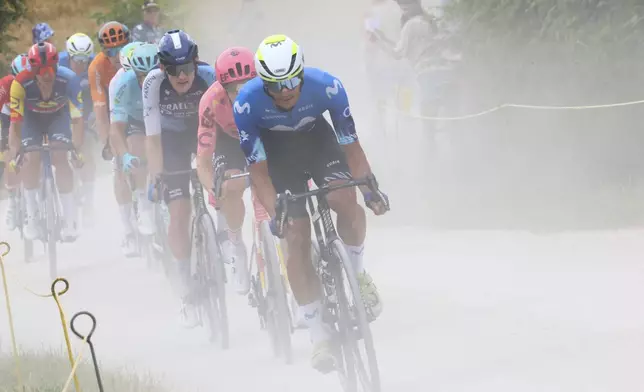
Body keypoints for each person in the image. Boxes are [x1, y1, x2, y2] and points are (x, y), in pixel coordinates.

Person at [233, 34, 389, 372]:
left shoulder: (328, 87)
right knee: (296, 236)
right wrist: (278, 213)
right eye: (275, 85)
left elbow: (352, 148)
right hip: (278, 157)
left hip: (319, 143)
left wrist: (370, 189)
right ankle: (318, 335)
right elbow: (258, 175)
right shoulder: (246, 104)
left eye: (291, 80)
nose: (285, 90)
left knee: (344, 197)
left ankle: (359, 277)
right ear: (263, 84)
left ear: (301, 73)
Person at [143, 30, 215, 326]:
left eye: (187, 68)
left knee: (219, 186)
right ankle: (185, 285)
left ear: (196, 63)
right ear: (163, 68)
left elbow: (223, 124)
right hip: (171, 140)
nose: (182, 76)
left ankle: (222, 237)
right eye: (174, 70)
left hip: (203, 134)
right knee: (179, 210)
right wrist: (157, 174)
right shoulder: (152, 84)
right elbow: (152, 137)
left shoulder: (209, 75)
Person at [8, 42, 84, 241]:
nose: (46, 75)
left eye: (50, 69)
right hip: (30, 121)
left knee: (61, 156)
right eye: (40, 70)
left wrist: (76, 149)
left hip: (58, 118)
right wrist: (16, 152)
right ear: (32, 70)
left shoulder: (69, 80)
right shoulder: (20, 83)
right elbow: (15, 124)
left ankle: (69, 218)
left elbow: (77, 120)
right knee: (31, 159)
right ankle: (32, 216)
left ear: (56, 66)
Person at [196, 47, 257, 295]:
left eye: (247, 85)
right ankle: (236, 245)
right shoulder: (210, 101)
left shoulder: (268, 91)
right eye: (234, 89)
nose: (241, 93)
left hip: (263, 135)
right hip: (230, 142)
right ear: (222, 87)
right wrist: (214, 186)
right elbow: (202, 160)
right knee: (232, 185)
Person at [108, 42, 158, 255]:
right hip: (133, 120)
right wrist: (125, 155)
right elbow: (115, 128)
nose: (145, 81)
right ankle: (137, 215)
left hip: (158, 116)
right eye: (139, 75)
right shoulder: (120, 83)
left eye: (151, 74)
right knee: (135, 150)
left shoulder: (165, 79)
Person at [88, 21, 134, 252]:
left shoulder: (137, 56)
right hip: (110, 109)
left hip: (135, 107)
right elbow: (99, 107)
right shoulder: (97, 66)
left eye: (120, 49)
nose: (116, 56)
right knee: (118, 166)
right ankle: (128, 230)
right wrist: (108, 141)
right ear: (103, 51)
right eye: (110, 52)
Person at [60, 33, 97, 225]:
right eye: (77, 60)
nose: (81, 64)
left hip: (84, 109)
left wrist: (94, 116)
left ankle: (89, 202)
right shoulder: (58, 63)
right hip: (61, 110)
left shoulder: (94, 66)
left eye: (85, 60)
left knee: (87, 148)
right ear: (68, 55)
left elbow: (99, 94)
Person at [2, 54, 29, 230]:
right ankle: (12, 199)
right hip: (8, 117)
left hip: (32, 115)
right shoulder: (4, 85)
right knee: (8, 154)